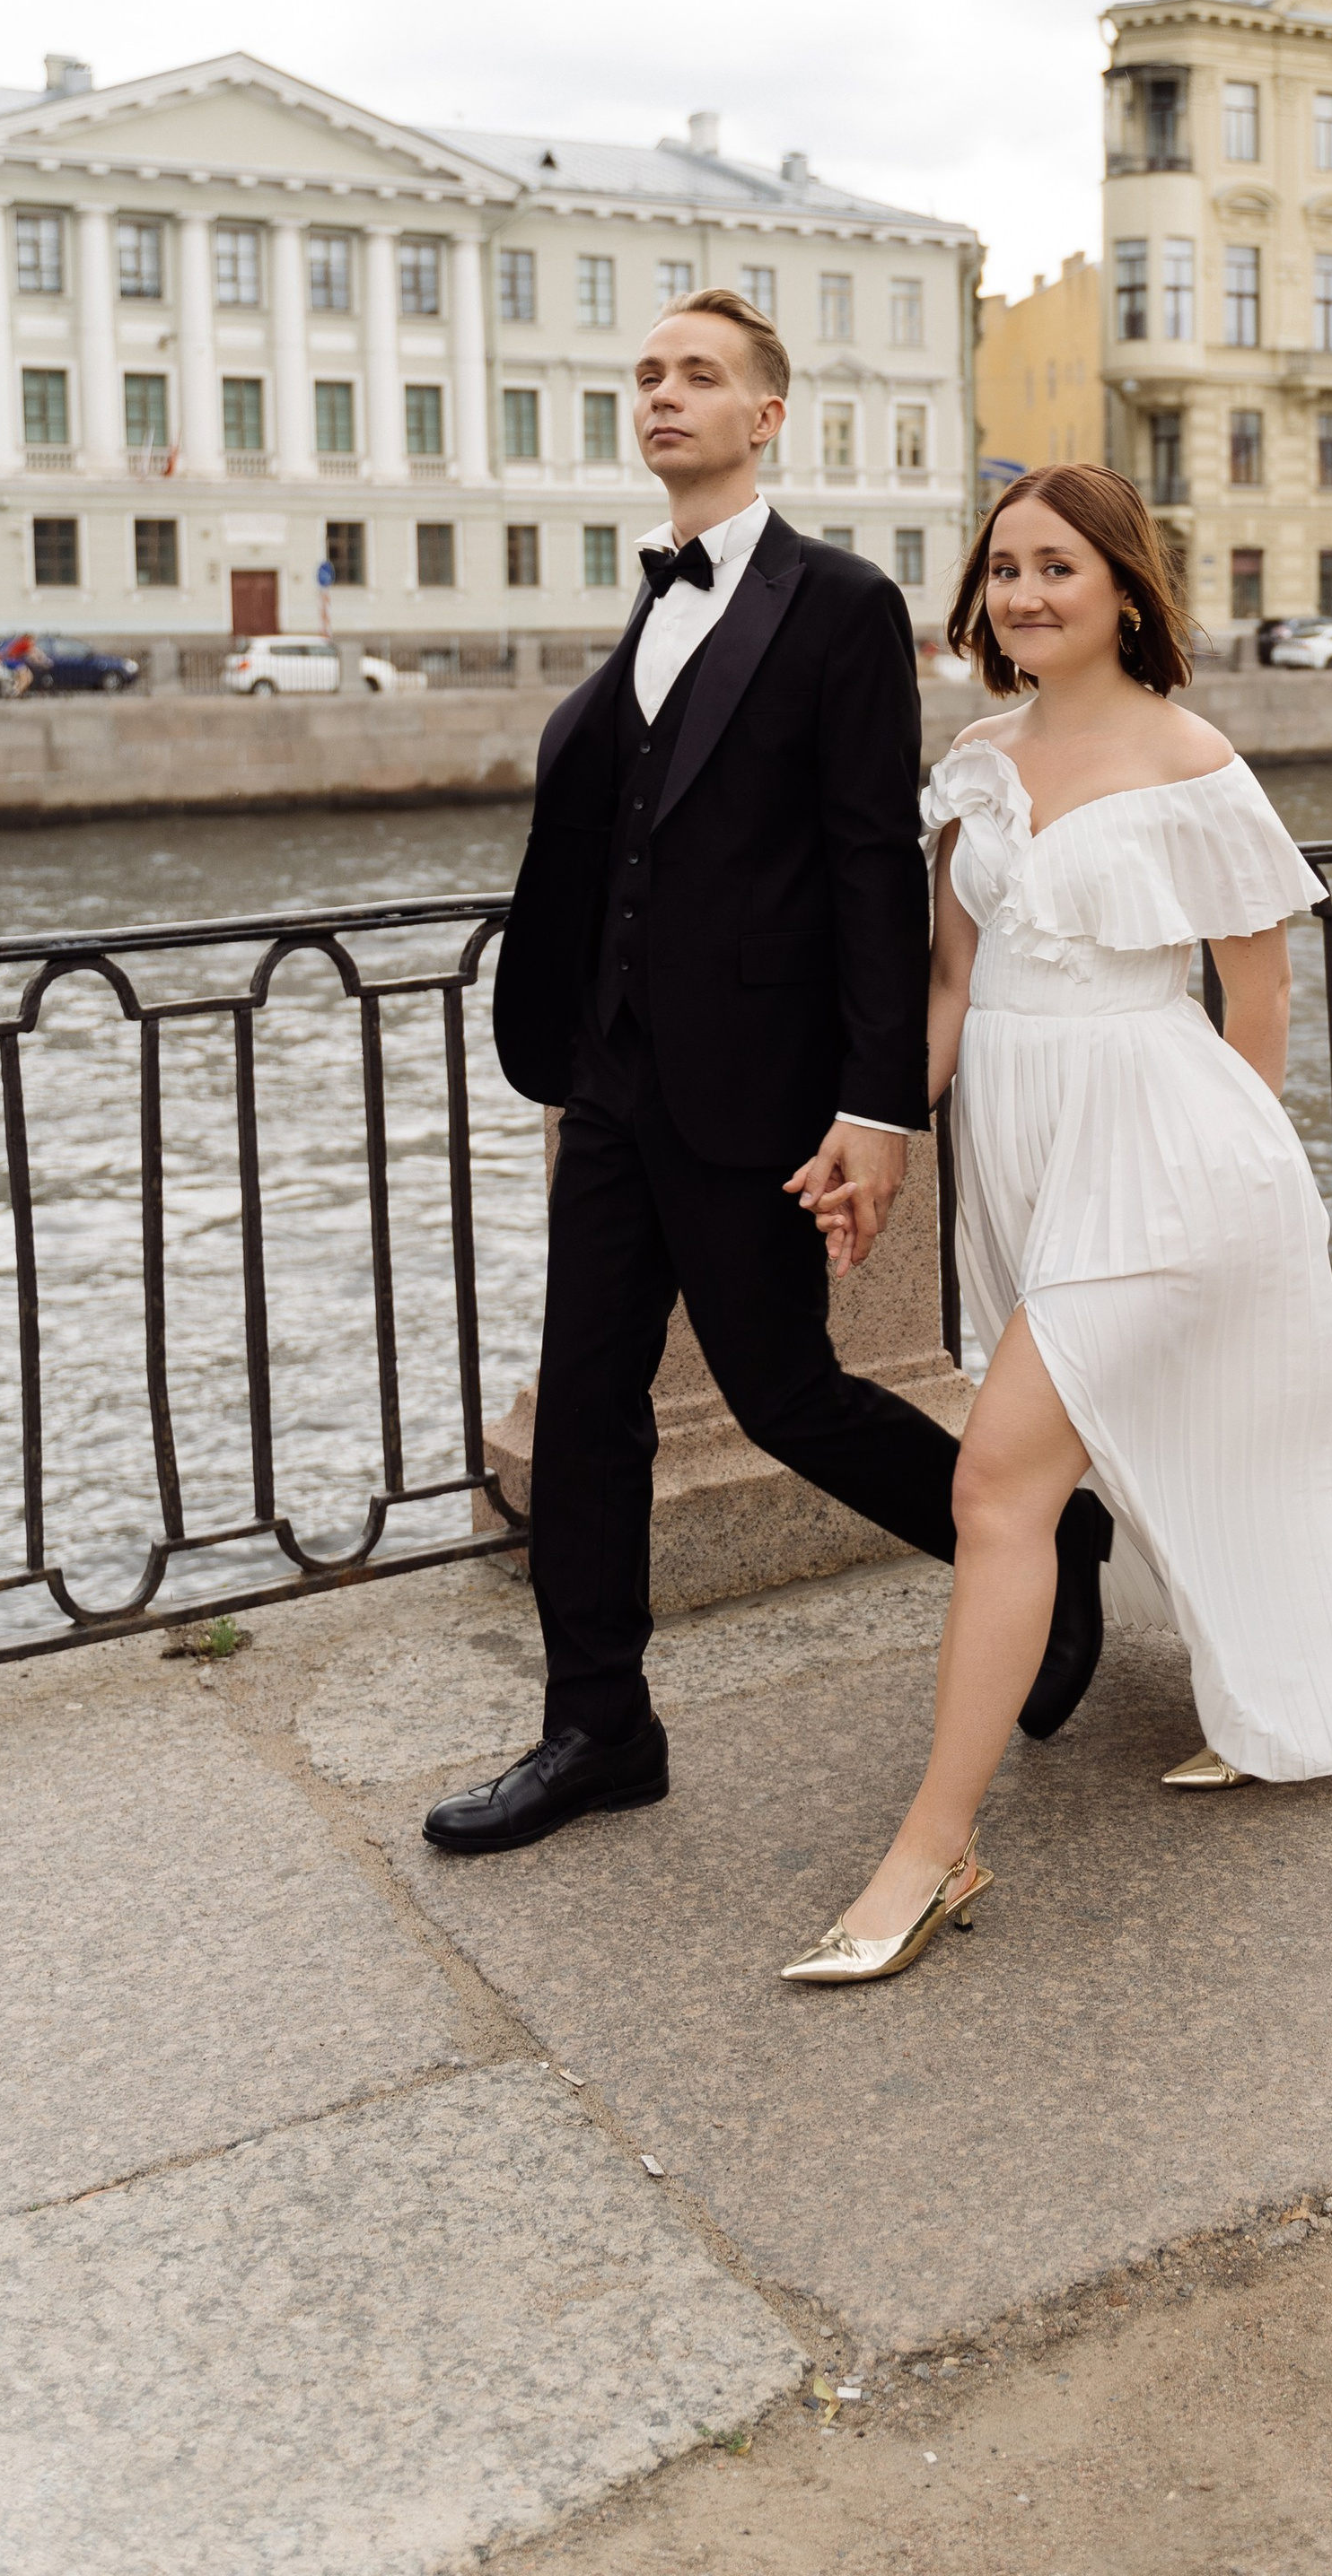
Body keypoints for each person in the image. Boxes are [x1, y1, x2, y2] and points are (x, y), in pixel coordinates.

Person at [781, 464, 1332, 1987]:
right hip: (1026, 1144)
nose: (1025, 594)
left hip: (1165, 1154)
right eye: (1003, 571)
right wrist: (884, 1143)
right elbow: (952, 990)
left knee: (997, 1484)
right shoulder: (979, 757)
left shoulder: (1194, 763)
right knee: (1178, 1440)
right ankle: (1298, 1695)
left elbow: (1259, 1001)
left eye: (1057, 566)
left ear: (1125, 585)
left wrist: (1242, 1197)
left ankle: (933, 1851)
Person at [423, 293, 1111, 1858]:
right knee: (589, 1404)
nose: (665, 396)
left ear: (768, 416)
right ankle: (599, 1728)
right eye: (650, 375)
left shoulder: (839, 603)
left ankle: (1048, 1535)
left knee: (785, 1395)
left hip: (754, 1089)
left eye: (701, 376)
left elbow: (873, 866)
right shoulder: (647, 600)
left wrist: (878, 1108)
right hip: (608, 1081)